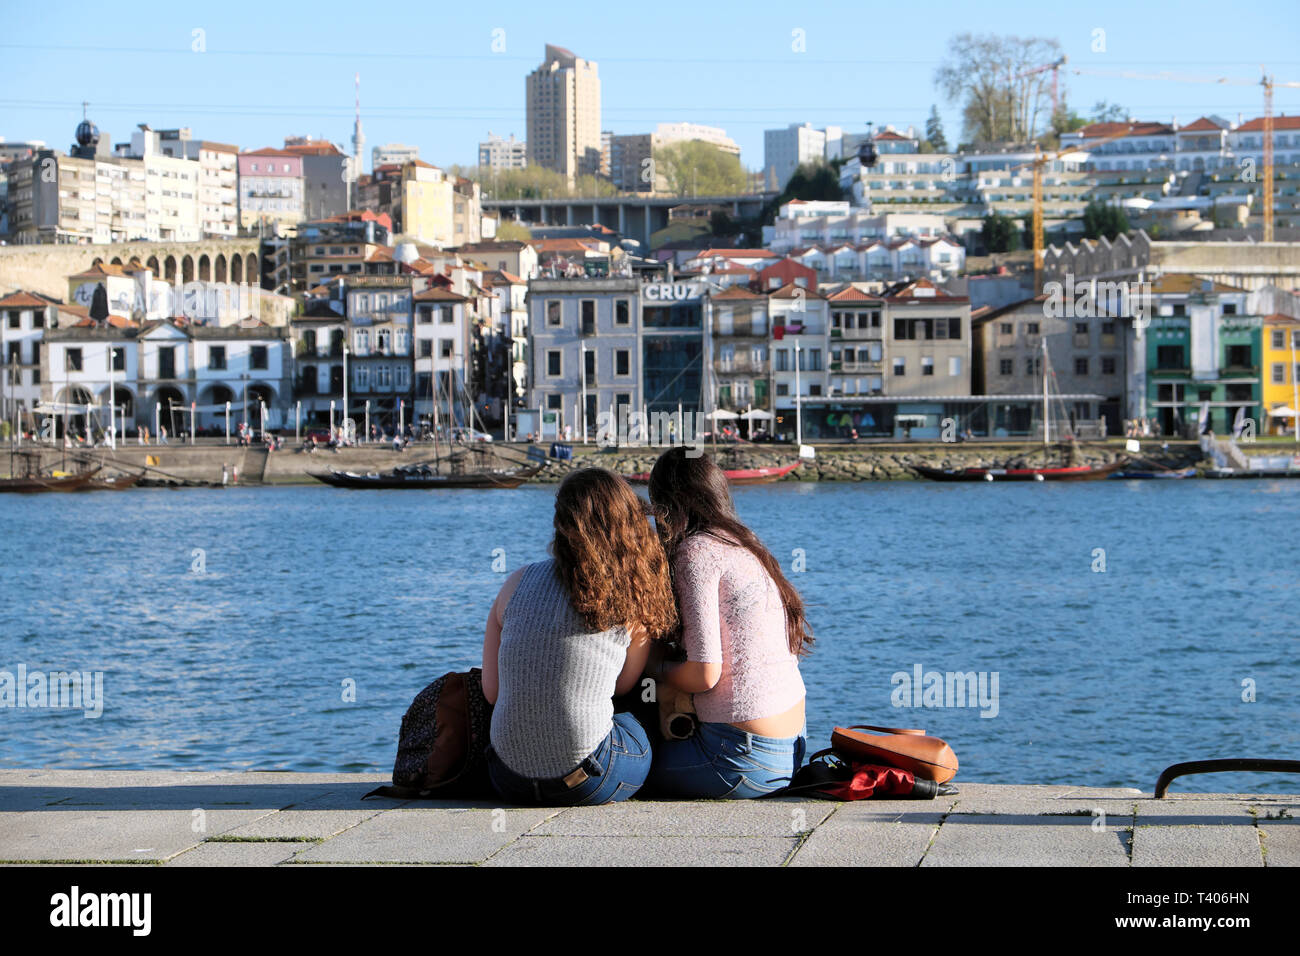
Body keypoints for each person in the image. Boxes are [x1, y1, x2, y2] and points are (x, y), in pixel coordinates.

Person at [481, 468, 678, 806]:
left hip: (506, 777)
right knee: (638, 711)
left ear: (560, 521)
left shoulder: (515, 583)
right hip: (585, 780)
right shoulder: (628, 592)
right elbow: (622, 687)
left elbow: (492, 691)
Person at [644, 447, 811, 798]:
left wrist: (654, 668)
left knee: (622, 766)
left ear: (665, 504)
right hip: (791, 750)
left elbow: (705, 674)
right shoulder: (744, 544)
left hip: (739, 759)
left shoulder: (697, 551)